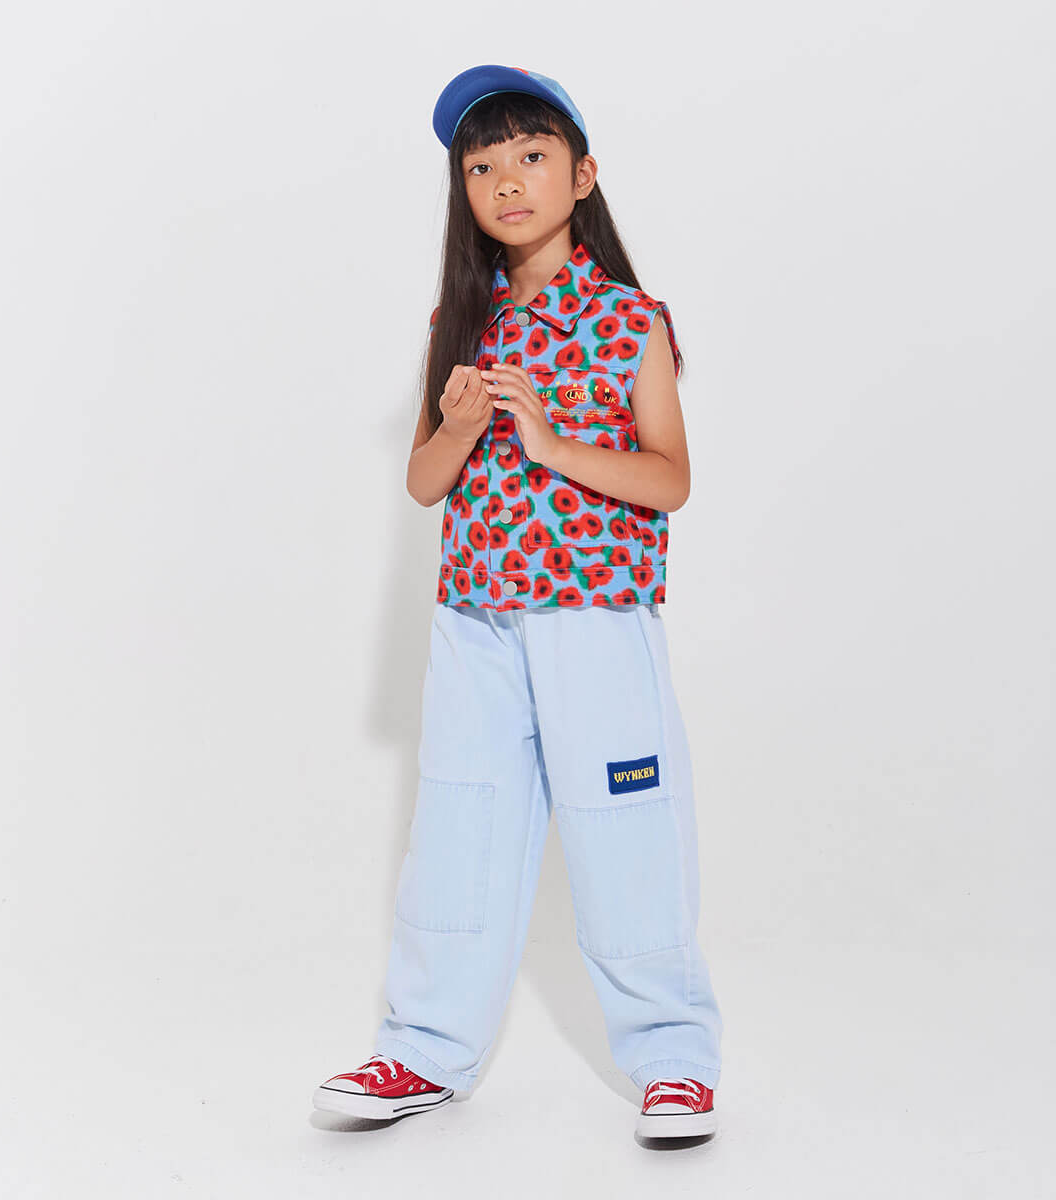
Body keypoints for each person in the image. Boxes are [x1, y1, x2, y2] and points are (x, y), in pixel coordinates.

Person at [312, 64, 723, 1141]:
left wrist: (550, 444)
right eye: (481, 165)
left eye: (532, 156)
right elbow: (424, 482)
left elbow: (671, 479)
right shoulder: (461, 319)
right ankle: (422, 1051)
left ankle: (673, 1058)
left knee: (625, 830)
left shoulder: (631, 321)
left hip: (595, 620)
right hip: (477, 623)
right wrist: (458, 425)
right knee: (460, 829)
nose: (506, 181)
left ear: (582, 176)